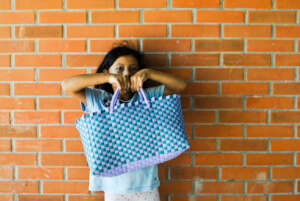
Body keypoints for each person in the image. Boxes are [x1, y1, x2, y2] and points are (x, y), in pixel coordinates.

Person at [62, 41, 187, 201]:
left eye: (133, 69)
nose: (126, 73)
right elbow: (67, 85)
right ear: (108, 71)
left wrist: (148, 73)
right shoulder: (99, 99)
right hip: (113, 187)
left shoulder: (148, 97)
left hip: (146, 185)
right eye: (119, 69)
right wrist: (108, 78)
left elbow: (180, 86)